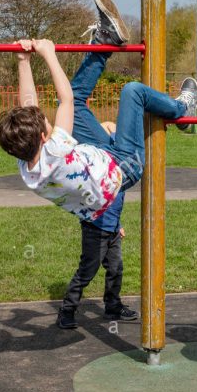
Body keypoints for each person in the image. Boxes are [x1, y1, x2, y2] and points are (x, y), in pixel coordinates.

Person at [0, 0, 197, 225]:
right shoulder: (56, 150)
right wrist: (49, 55)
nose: (45, 117)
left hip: (98, 166)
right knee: (133, 90)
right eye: (45, 121)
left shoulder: (26, 162)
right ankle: (183, 108)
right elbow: (68, 98)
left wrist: (23, 61)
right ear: (43, 136)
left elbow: (28, 107)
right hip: (124, 165)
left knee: (76, 105)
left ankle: (105, 41)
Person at [57, 122, 137, 329]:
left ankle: (113, 305)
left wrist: (118, 225)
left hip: (112, 227)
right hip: (95, 228)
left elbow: (116, 200)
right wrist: (112, 133)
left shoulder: (119, 166)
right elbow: (107, 124)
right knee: (88, 270)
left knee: (116, 268)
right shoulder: (101, 159)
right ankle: (67, 310)